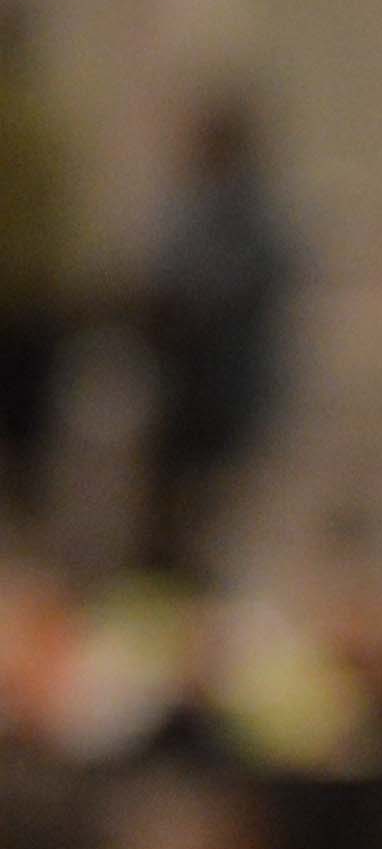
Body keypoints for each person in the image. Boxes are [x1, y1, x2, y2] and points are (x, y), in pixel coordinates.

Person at [140, 90, 296, 575]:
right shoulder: (199, 205)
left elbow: (216, 288)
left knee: (212, 502)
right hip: (192, 379)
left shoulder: (245, 213)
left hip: (220, 378)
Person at [0, 0, 76, 533]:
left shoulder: (33, 119)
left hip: (25, 303)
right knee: (26, 453)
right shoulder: (44, 119)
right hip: (35, 303)